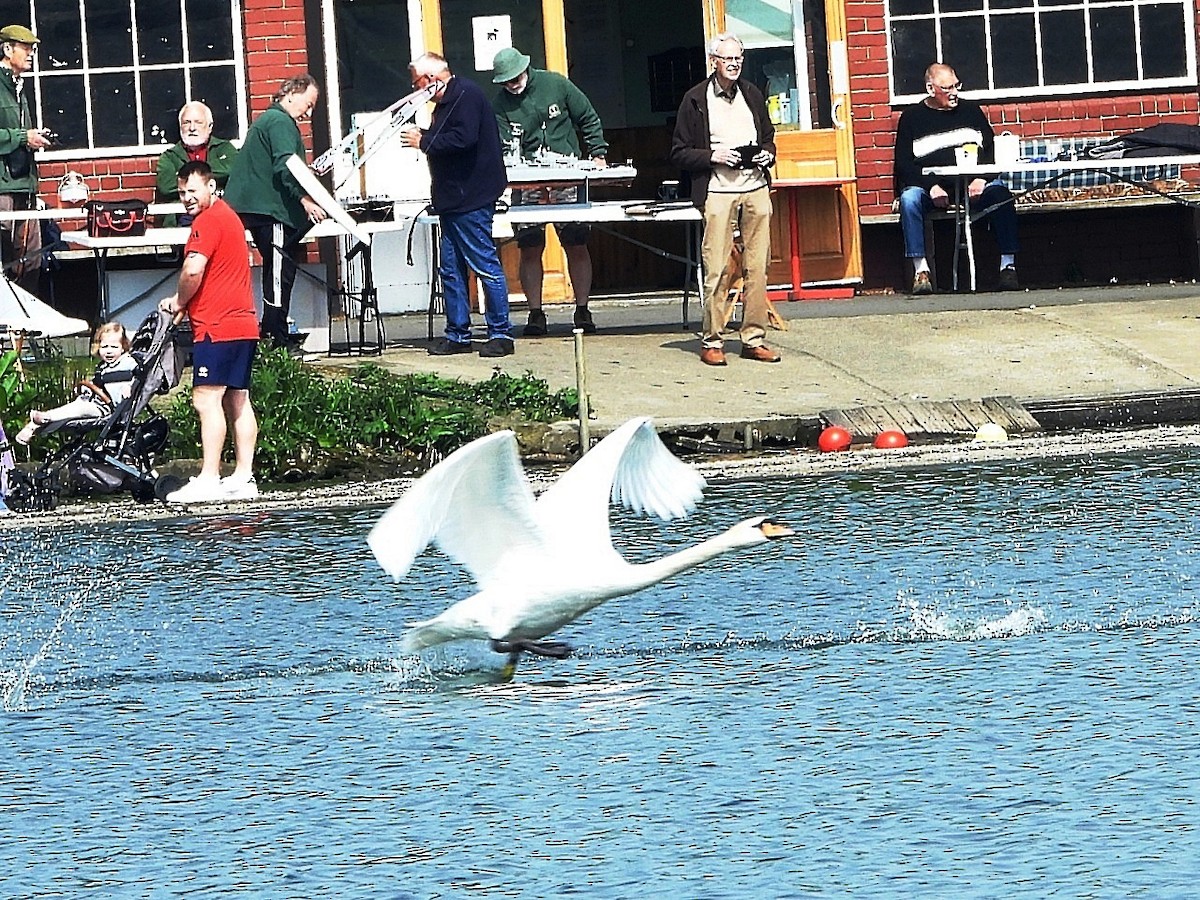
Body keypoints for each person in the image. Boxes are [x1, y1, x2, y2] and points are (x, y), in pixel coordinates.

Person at [670, 32, 781, 367]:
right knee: (716, 268)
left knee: (758, 267)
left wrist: (766, 155)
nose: (733, 64)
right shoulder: (695, 99)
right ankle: (713, 340)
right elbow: (678, 152)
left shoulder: (752, 93)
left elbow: (769, 138)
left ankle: (754, 339)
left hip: (755, 187)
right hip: (717, 191)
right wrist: (713, 156)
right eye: (727, 59)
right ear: (713, 61)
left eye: (738, 59)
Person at [160, 160, 261, 504]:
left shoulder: (207, 222)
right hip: (245, 324)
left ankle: (209, 477)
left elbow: (193, 269)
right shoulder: (230, 217)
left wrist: (178, 302)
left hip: (217, 327)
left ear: (210, 187)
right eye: (181, 192)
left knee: (205, 399)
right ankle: (244, 476)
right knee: (238, 399)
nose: (187, 198)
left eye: (192, 190)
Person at [403, 52, 514, 358]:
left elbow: (463, 140)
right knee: (450, 268)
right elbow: (448, 136)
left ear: (430, 79)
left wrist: (423, 142)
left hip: (471, 196)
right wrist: (427, 137)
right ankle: (458, 333)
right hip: (453, 198)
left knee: (483, 263)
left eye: (416, 84)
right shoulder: (449, 101)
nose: (415, 90)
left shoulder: (466, 95)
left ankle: (501, 332)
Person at [490, 46, 608, 337]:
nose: (511, 85)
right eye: (505, 81)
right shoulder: (500, 105)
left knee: (576, 243)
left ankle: (582, 309)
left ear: (525, 69)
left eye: (514, 78)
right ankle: (535, 313)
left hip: (567, 177)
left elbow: (588, 117)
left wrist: (597, 153)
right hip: (526, 182)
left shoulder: (556, 84)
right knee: (529, 247)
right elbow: (503, 145)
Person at [894, 63, 1019, 295]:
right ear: (931, 89)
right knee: (909, 199)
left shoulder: (971, 111)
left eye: (956, 86)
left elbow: (992, 151)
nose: (954, 93)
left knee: (1001, 194)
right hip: (933, 190)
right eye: (946, 88)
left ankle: (1008, 266)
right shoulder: (911, 118)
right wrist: (930, 187)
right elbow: (903, 164)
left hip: (974, 187)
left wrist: (982, 177)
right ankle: (921, 271)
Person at [224, 74, 328, 348]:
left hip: (259, 208)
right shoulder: (281, 122)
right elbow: (285, 166)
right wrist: (305, 199)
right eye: (308, 104)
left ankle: (274, 331)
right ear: (292, 93)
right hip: (271, 210)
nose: (308, 113)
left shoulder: (270, 120)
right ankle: (275, 337)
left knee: (278, 269)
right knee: (280, 272)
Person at [14, 322, 138, 445]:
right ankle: (35, 428)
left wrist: (130, 386)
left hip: (108, 408)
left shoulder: (127, 362)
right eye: (104, 347)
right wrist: (87, 388)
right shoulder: (103, 367)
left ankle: (44, 418)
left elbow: (139, 374)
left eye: (114, 347)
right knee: (68, 413)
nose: (109, 351)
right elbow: (98, 384)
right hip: (94, 400)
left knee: (77, 409)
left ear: (123, 347)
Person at [0, 25, 54, 297]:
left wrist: (34, 138)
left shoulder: (18, 86)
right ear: (7, 49)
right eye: (26, 48)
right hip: (3, 187)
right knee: (5, 257)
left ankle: (21, 330)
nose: (31, 53)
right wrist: (23, 137)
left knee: (31, 258)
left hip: (24, 183)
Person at [155, 101, 238, 226]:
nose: (192, 128)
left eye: (198, 122)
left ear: (209, 126)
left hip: (220, 216)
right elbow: (165, 185)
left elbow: (235, 169)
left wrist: (187, 175)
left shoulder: (225, 149)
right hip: (183, 218)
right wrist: (207, 177)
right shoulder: (170, 157)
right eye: (186, 122)